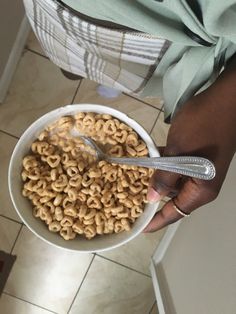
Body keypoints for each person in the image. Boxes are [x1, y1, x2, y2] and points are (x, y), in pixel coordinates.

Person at [23, 0, 236, 232]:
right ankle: (88, 72)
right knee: (71, 58)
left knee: (127, 72)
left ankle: (107, 78)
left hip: (156, 36)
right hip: (58, 14)